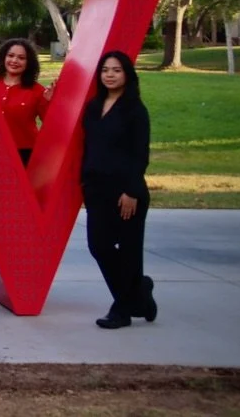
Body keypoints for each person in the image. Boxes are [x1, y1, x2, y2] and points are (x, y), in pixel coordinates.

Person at [82, 50, 157, 330]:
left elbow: (140, 155)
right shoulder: (94, 106)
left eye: (116, 70)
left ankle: (122, 310)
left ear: (127, 75)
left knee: (129, 252)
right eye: (105, 70)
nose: (110, 75)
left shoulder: (135, 110)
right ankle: (140, 292)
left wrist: (132, 191)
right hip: (96, 189)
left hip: (127, 192)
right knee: (98, 246)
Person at [0, 38, 49, 166]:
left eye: (21, 58)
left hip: (25, 153)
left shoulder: (37, 90)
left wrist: (48, 101)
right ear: (3, 58)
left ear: (28, 63)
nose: (14, 61)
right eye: (11, 56)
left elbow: (49, 123)